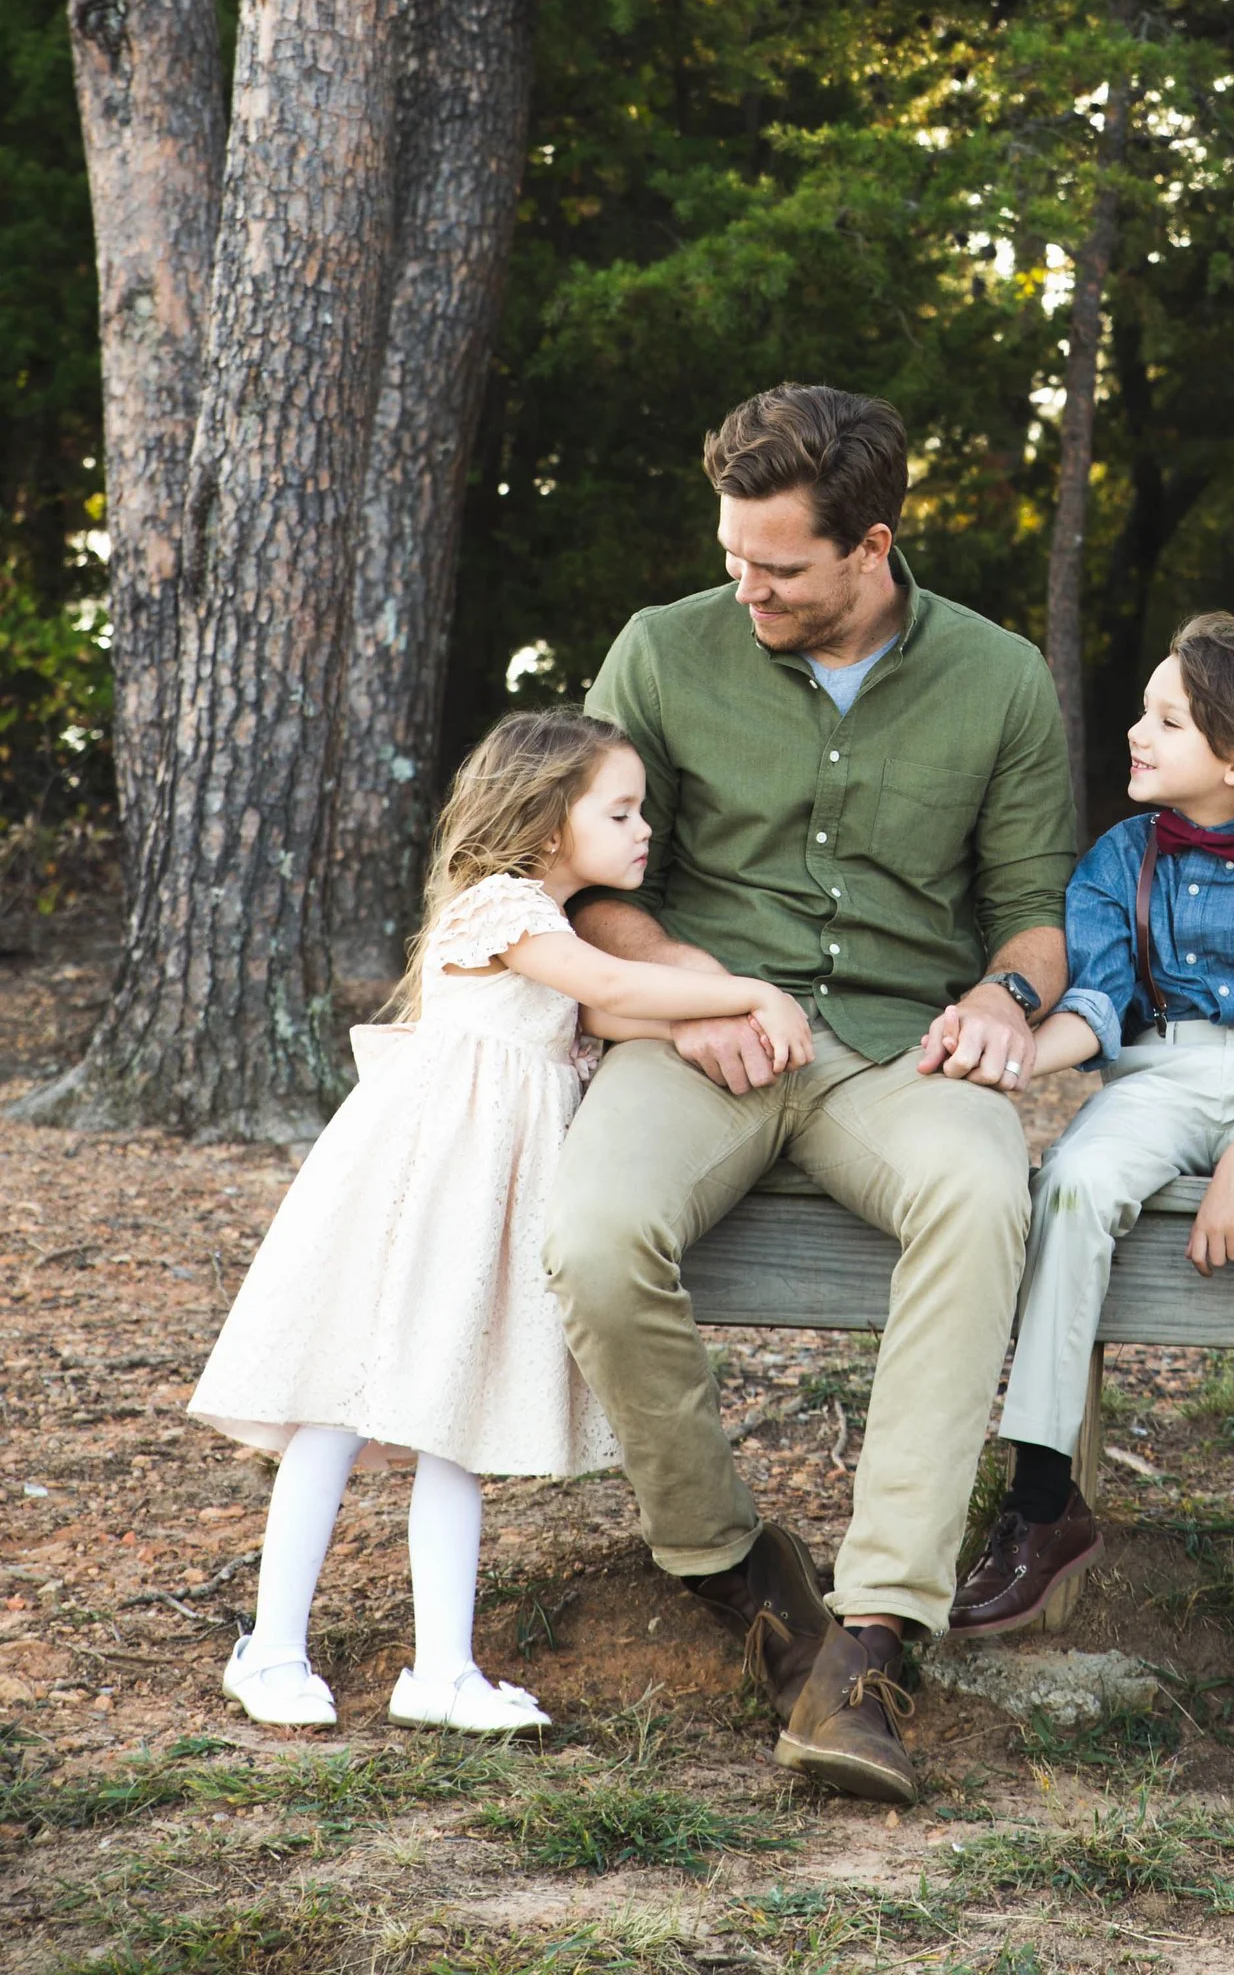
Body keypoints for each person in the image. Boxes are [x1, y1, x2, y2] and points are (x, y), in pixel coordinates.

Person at [545, 382, 1077, 1810]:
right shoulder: (662, 651)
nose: (748, 586)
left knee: (977, 1188)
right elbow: (585, 891)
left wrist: (1004, 999)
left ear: (873, 546)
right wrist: (695, 988)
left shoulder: (1001, 676)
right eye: (735, 554)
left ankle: (880, 1632)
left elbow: (1034, 917)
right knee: (592, 1234)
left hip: (902, 1047)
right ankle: (735, 1569)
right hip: (706, 1027)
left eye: (778, 567)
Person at [191, 709, 811, 1734]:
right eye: (620, 810)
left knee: (452, 1426)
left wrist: (715, 1015)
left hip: (485, 1200)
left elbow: (606, 1012)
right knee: (336, 1409)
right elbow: (608, 987)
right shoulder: (501, 907)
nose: (643, 828)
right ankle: (272, 1646)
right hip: (420, 1187)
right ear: (545, 820)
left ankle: (440, 1670)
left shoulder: (551, 927)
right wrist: (755, 992)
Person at [946, 617, 1234, 1658]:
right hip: (1155, 1075)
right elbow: (1098, 1008)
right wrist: (1006, 1050)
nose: (1136, 734)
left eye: (1166, 720)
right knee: (1073, 1184)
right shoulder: (1117, 858)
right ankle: (1043, 1500)